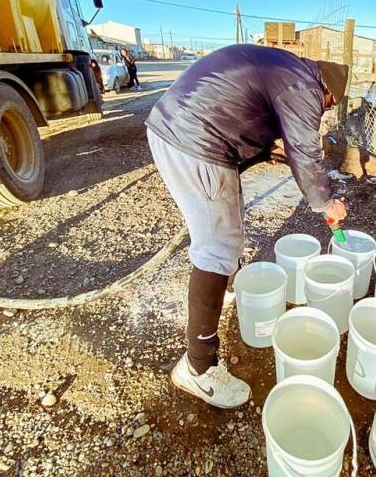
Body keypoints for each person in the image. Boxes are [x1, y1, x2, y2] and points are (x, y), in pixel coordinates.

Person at [145, 44, 349, 408]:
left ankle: (218, 293)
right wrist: (326, 202)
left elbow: (247, 112)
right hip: (194, 139)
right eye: (329, 104)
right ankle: (198, 368)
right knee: (217, 247)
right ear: (328, 89)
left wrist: (273, 150)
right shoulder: (305, 86)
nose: (325, 108)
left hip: (186, 128)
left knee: (226, 228)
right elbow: (306, 150)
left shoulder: (287, 69)